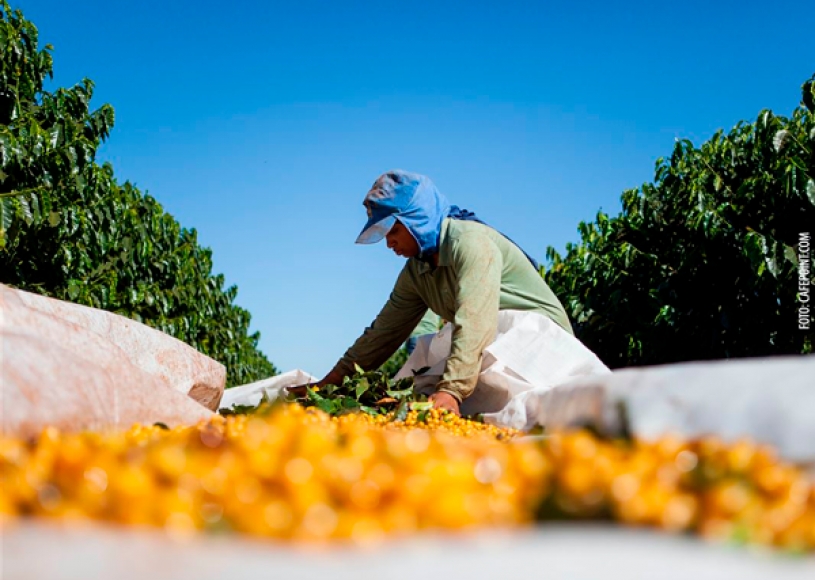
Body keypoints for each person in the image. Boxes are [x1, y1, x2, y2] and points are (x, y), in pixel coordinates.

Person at [293, 169, 581, 417]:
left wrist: (452, 391)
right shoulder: (416, 273)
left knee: (459, 374)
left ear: (415, 219)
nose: (388, 243)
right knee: (421, 375)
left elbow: (476, 317)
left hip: (542, 346)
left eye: (392, 231)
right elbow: (382, 334)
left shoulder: (470, 242)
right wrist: (328, 384)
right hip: (495, 346)